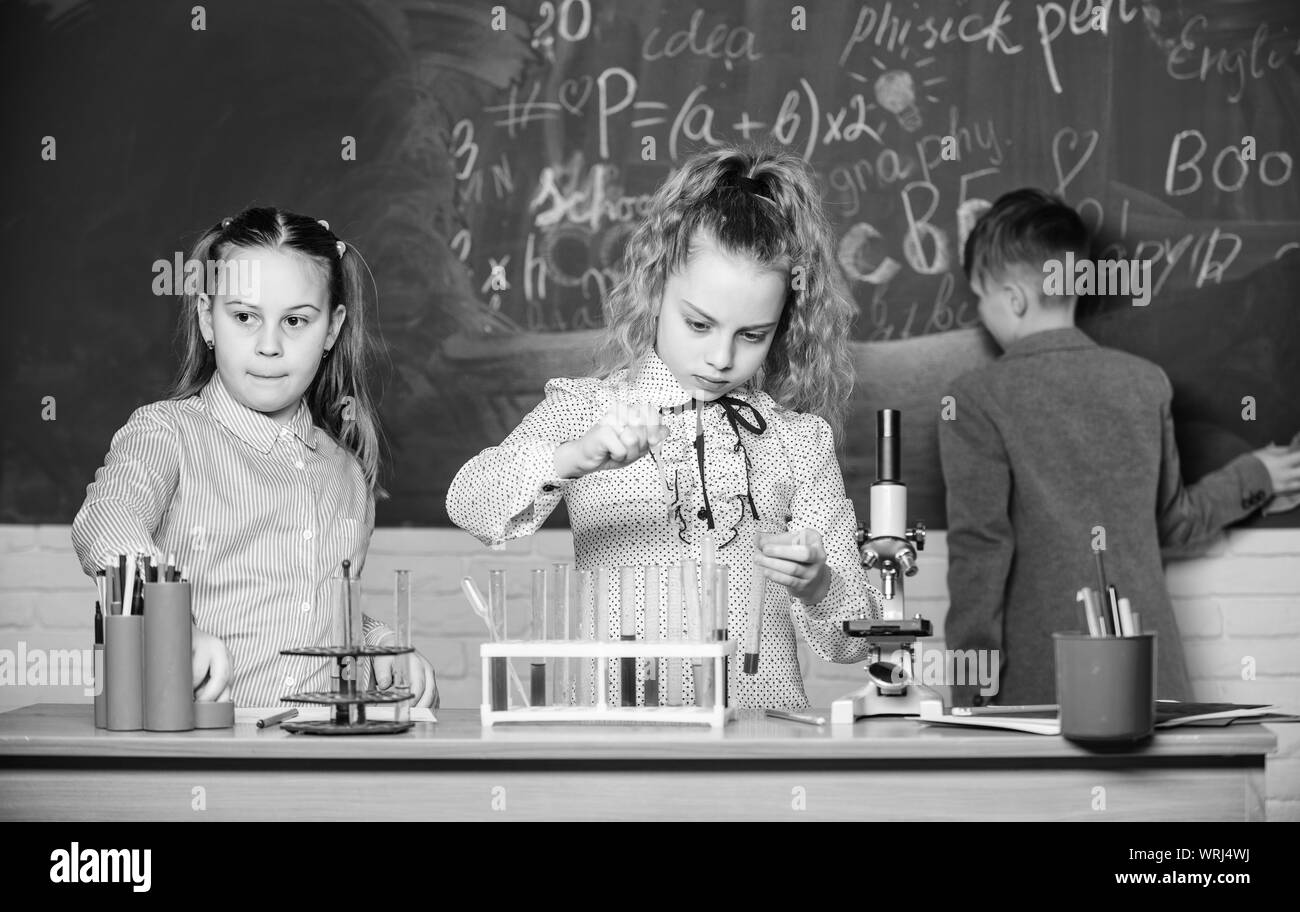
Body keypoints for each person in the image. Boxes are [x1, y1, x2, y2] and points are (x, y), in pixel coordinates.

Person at [448, 145, 883, 710]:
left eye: (753, 334)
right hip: (616, 746)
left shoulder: (798, 442)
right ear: (656, 288)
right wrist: (569, 459)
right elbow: (469, 505)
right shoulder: (586, 411)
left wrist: (819, 584)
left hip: (760, 745)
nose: (721, 358)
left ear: (783, 325)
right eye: (698, 324)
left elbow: (858, 640)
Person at [941, 188, 1300, 706]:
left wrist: (968, 698)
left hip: (1042, 691)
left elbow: (980, 553)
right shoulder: (1146, 383)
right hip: (1150, 683)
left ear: (1014, 298)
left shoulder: (974, 399)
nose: (980, 312)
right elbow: (1173, 523)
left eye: (981, 297)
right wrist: (1255, 476)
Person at [73, 207, 438, 708]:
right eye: (244, 317)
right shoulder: (167, 433)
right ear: (207, 317)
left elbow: (317, 609)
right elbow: (107, 520)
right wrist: (170, 623)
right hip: (189, 755)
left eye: (295, 321)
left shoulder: (346, 473)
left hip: (307, 758)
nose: (269, 345)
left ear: (331, 330)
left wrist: (377, 645)